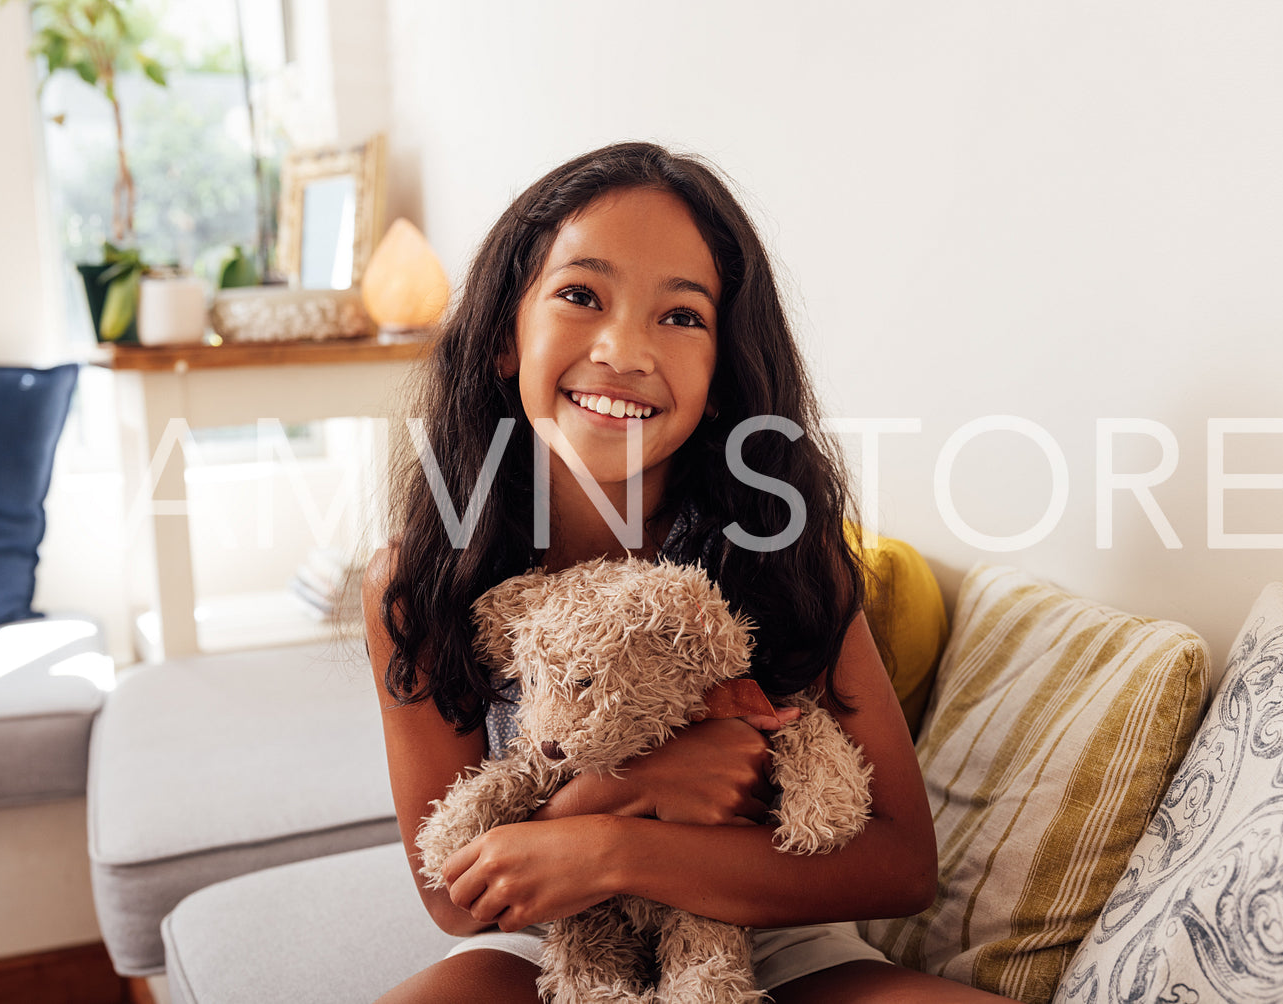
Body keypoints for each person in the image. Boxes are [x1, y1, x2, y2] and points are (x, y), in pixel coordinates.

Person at [365, 142, 1015, 1003]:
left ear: (720, 377)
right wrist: (623, 789)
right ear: (500, 340)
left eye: (681, 316)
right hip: (553, 944)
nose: (623, 349)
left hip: (769, 932)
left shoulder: (782, 547)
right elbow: (455, 895)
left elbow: (900, 866)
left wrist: (623, 846)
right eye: (578, 295)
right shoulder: (420, 584)